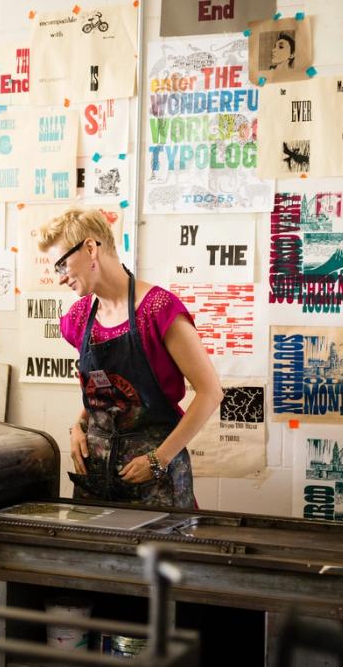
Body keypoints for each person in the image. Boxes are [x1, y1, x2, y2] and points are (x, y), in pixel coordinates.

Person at [38, 208, 223, 508]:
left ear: (89, 248)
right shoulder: (80, 318)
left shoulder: (158, 310)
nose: (60, 278)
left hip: (154, 483)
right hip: (95, 480)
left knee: (161, 555)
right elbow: (106, 391)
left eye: (62, 265)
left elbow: (211, 392)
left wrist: (159, 459)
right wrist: (78, 426)